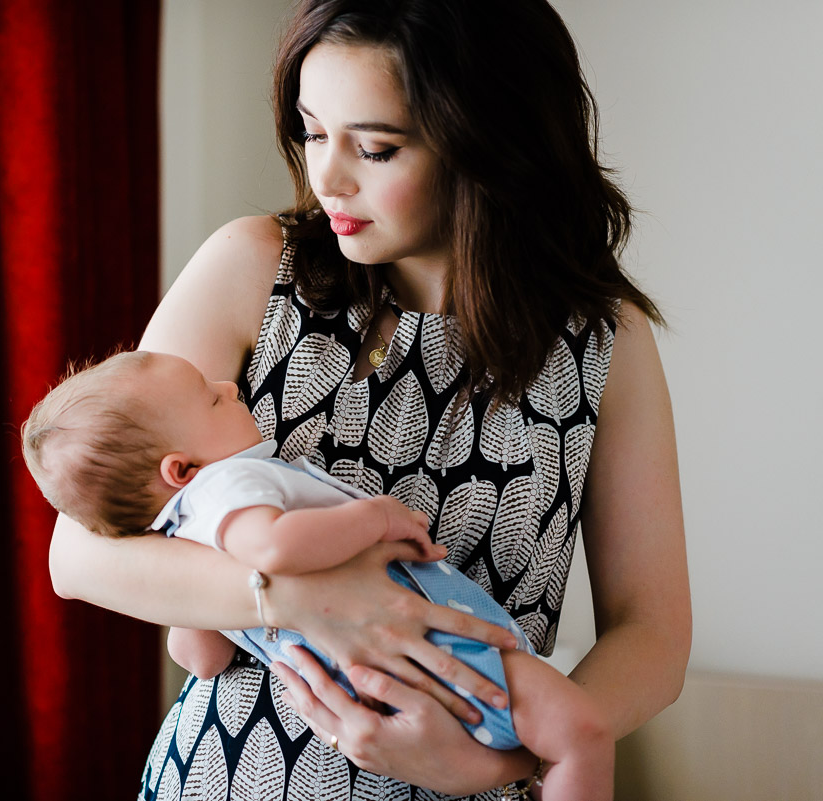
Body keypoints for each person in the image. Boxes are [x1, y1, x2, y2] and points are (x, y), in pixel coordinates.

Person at [47, 1, 690, 799]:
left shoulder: (602, 339)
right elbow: (77, 554)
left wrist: (504, 762)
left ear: (491, 143)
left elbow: (654, 634)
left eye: (376, 147)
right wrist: (298, 596)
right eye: (314, 132)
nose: (328, 178)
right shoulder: (253, 266)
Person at [25, 349, 614, 799]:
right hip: (439, 651)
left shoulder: (183, 535)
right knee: (581, 735)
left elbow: (201, 658)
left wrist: (206, 609)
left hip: (359, 691)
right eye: (212, 400)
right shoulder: (229, 484)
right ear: (181, 469)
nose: (230, 386)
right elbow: (276, 548)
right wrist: (375, 516)